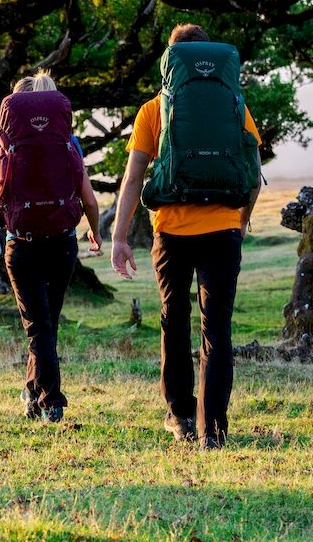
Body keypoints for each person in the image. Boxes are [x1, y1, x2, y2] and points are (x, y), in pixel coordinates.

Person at [110, 23, 261, 449]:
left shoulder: (154, 109)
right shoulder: (235, 104)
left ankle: (180, 416)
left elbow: (133, 175)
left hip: (171, 234)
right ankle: (213, 432)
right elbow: (252, 175)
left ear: (171, 62)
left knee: (173, 322)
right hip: (223, 230)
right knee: (217, 330)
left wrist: (120, 237)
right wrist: (241, 221)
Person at [0, 71, 104, 423]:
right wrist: (94, 231)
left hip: (22, 244)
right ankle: (34, 391)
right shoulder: (68, 141)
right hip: (63, 244)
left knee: (38, 325)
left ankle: (51, 400)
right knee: (46, 323)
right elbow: (89, 199)